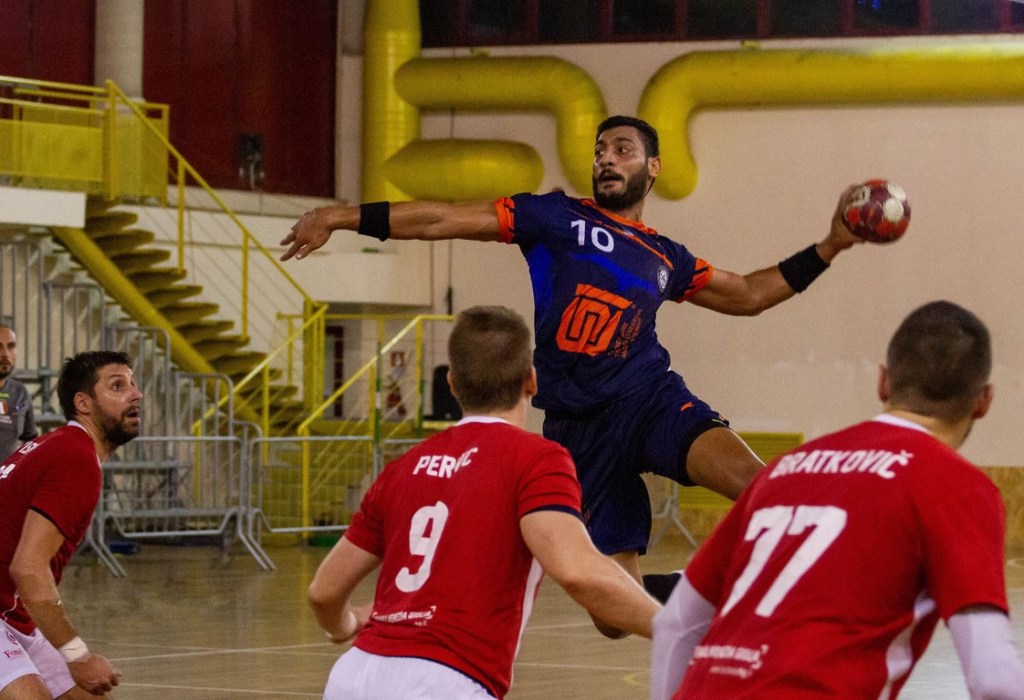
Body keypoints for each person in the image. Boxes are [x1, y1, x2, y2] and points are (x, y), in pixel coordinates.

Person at [282, 115, 865, 609]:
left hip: (649, 398)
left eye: (622, 150)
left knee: (758, 485)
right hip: (578, 425)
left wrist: (831, 247)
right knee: (615, 612)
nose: (606, 160)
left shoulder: (666, 255)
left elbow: (748, 294)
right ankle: (701, 593)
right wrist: (342, 215)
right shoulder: (554, 217)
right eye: (599, 152)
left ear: (652, 167)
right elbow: (445, 218)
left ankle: (822, 581)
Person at [649, 300, 1024, 699]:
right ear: (983, 401)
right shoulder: (956, 486)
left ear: (883, 382)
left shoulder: (784, 470)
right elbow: (994, 679)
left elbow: (676, 622)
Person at [307, 305, 660, 699]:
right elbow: (578, 571)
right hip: (445, 680)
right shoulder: (535, 459)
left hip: (354, 675)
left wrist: (343, 626)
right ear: (532, 381)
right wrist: (675, 630)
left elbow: (323, 591)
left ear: (453, 384)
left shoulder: (402, 468)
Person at [0, 351, 143, 700]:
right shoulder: (75, 456)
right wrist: (77, 656)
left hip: (13, 612)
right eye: (117, 386)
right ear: (84, 403)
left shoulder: (58, 444)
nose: (136, 394)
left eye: (134, 384)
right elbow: (29, 569)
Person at [0, 325, 39, 460]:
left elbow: (30, 441)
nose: (5, 354)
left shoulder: (20, 392)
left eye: (11, 346)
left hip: (7, 480)